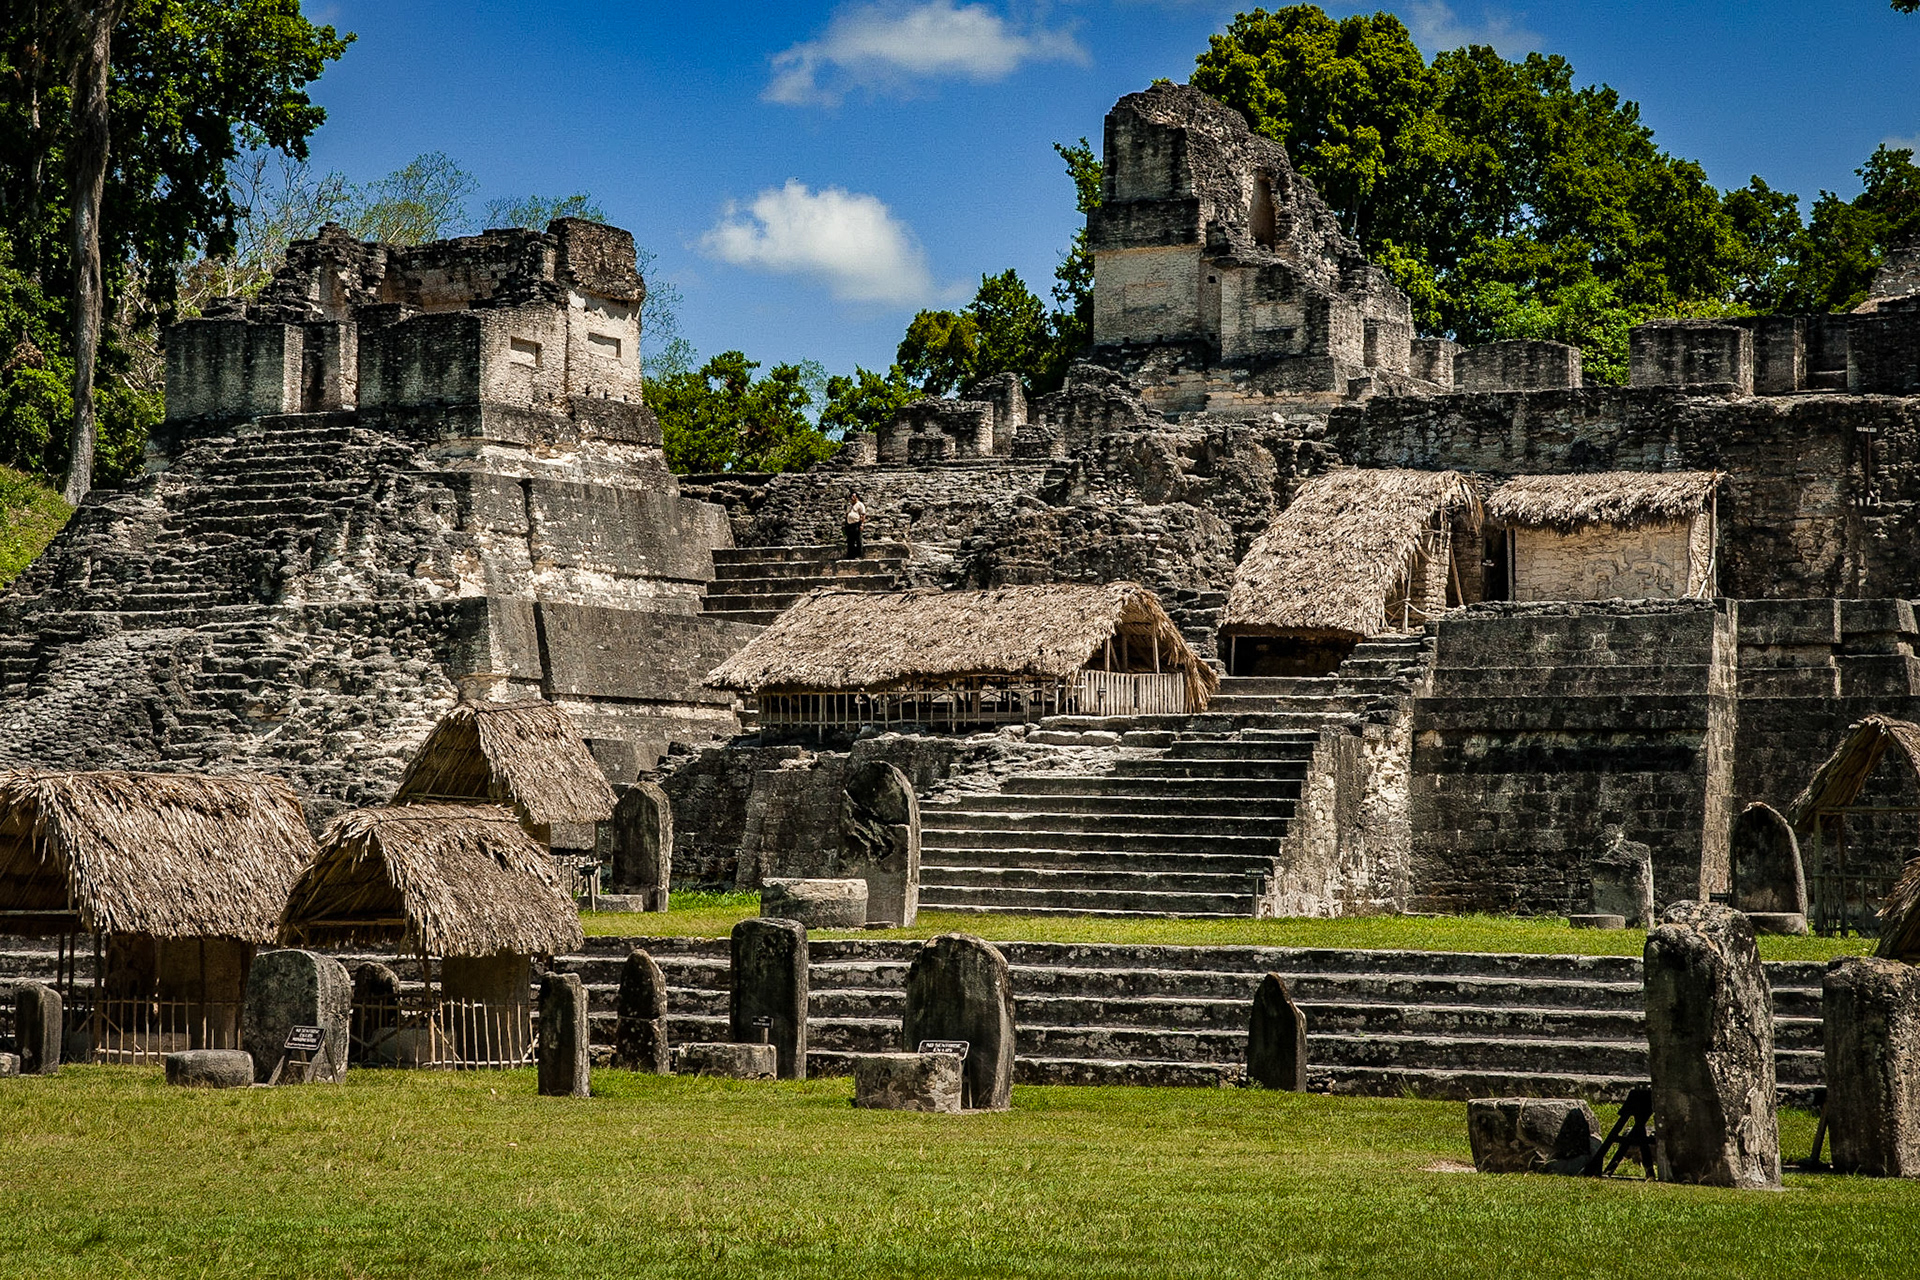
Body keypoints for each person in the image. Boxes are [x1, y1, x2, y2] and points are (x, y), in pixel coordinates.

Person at [844, 491, 866, 559]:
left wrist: (862, 524)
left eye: (853, 497)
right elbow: (847, 514)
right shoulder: (849, 505)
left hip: (857, 524)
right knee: (850, 540)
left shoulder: (860, 505)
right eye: (851, 497)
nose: (852, 498)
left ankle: (859, 555)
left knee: (858, 540)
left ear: (857, 497)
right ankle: (851, 555)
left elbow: (863, 514)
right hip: (850, 524)